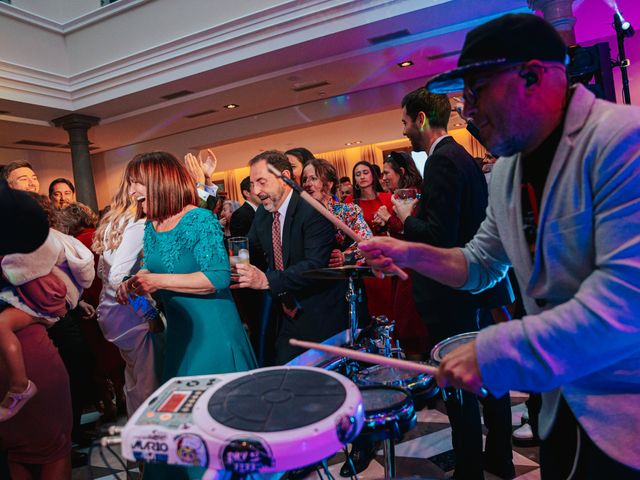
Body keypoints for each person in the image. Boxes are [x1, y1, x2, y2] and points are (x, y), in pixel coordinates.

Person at [361, 13, 640, 478]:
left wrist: (492, 348)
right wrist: (409, 252)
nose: (467, 110)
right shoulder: (509, 168)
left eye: (478, 90)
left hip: (625, 412)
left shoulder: (620, 141)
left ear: (533, 75)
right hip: (557, 406)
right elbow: (480, 263)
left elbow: (625, 301)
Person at [119, 151, 257, 479]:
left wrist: (157, 280)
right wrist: (135, 284)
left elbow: (218, 277)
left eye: (136, 183)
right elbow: (154, 271)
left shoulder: (199, 219)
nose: (132, 191)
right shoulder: (152, 227)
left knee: (214, 437)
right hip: (181, 339)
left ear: (159, 182)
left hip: (214, 341)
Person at [234, 150, 348, 364]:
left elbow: (314, 267)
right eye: (253, 184)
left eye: (262, 182)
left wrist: (267, 280)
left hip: (320, 317)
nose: (256, 191)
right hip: (286, 318)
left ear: (285, 176)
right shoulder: (263, 215)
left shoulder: (313, 211)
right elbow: (248, 249)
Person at [0, 180, 72, 479]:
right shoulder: (30, 255)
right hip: (29, 360)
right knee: (49, 448)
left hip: (20, 360)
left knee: (19, 449)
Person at [93, 163, 159, 417]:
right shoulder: (138, 225)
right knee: (147, 384)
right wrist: (149, 312)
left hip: (113, 313)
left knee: (134, 380)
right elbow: (118, 277)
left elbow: (103, 271)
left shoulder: (116, 220)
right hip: (131, 314)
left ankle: (137, 444)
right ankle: (145, 444)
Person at [301, 158, 372, 265]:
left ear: (329, 184)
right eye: (305, 180)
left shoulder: (347, 211)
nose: (307, 184)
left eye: (313, 178)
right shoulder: (300, 214)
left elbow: (368, 244)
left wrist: (345, 257)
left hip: (340, 278)